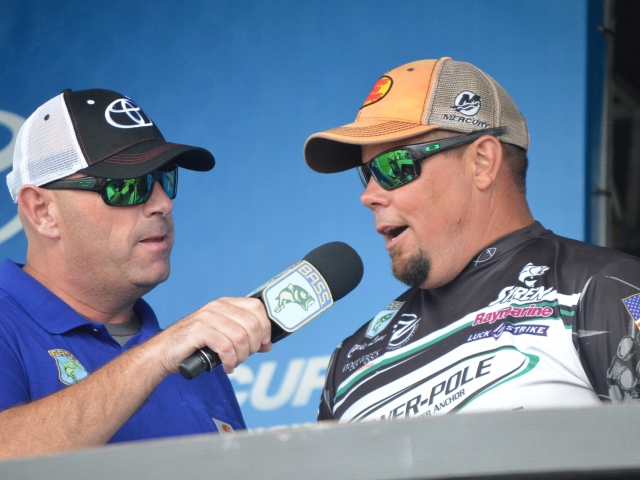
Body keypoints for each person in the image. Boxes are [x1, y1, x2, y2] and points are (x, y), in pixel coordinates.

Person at [303, 57, 640, 422]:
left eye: (393, 166)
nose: (368, 195)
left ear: (482, 162)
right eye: (366, 173)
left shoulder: (613, 288)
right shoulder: (349, 363)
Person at [0, 89, 272, 458]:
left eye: (165, 179)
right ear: (42, 211)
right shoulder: (167, 352)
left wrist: (161, 352)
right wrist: (155, 357)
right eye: (127, 186)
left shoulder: (194, 360)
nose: (163, 203)